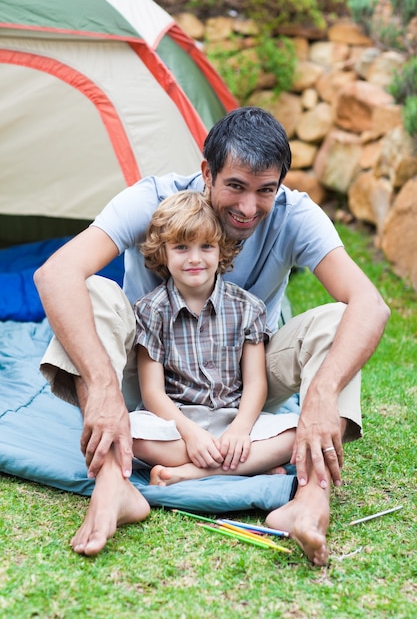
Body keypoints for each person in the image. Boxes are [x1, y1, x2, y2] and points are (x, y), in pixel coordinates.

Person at [34, 106, 390, 564]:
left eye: (266, 190)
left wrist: (320, 393)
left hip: (247, 382)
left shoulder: (295, 214)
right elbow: (55, 273)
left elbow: (371, 305)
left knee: (342, 319)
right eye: (236, 186)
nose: (248, 208)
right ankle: (112, 484)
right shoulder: (154, 200)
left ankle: (311, 499)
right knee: (90, 291)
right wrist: (103, 388)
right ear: (207, 171)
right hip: (149, 381)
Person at [130, 190, 299, 484]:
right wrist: (190, 433)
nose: (195, 259)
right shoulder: (151, 310)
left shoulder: (248, 307)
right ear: (163, 252)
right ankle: (250, 463)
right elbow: (153, 392)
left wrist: (241, 429)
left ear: (221, 250)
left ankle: (187, 473)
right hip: (175, 423)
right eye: (181, 247)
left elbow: (256, 381)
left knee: (299, 433)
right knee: (128, 433)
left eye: (206, 246)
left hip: (233, 418)